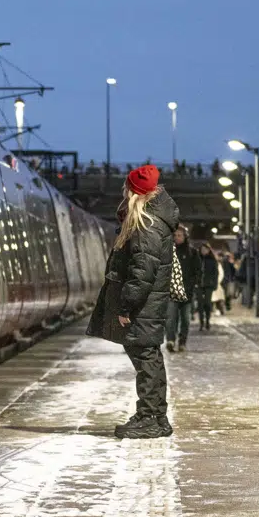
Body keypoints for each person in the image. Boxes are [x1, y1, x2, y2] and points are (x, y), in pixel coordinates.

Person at [87, 164, 177, 440]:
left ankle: (151, 417)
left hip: (144, 306)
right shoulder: (150, 221)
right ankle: (154, 416)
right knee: (147, 357)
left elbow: (142, 271)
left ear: (135, 192)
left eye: (127, 188)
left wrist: (127, 306)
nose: (123, 192)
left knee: (145, 358)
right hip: (148, 305)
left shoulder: (146, 224)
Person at [166, 225, 201, 351]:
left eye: (179, 235)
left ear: (185, 237)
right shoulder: (167, 251)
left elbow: (197, 271)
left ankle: (182, 342)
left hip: (187, 292)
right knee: (170, 319)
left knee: (185, 319)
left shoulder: (192, 252)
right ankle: (170, 340)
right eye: (174, 235)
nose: (176, 238)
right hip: (171, 292)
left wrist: (193, 285)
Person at [197, 242, 219, 331]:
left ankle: (207, 321)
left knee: (207, 303)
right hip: (198, 285)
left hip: (208, 285)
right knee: (200, 305)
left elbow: (215, 273)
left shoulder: (212, 260)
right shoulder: (197, 259)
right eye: (202, 249)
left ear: (209, 250)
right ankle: (201, 322)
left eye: (205, 249)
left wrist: (215, 284)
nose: (203, 251)